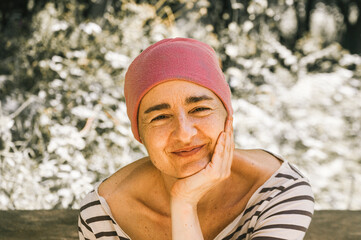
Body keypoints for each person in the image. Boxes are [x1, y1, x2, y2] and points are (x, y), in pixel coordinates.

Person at [78, 38, 314, 240]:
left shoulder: (278, 190)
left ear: (227, 117)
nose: (184, 134)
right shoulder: (104, 213)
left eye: (200, 109)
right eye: (160, 116)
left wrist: (183, 202)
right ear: (139, 134)